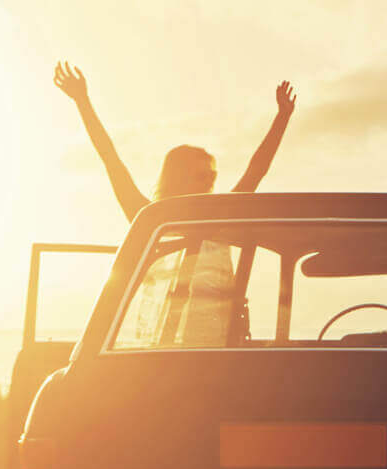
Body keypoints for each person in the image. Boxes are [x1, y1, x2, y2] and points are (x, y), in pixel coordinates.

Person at [53, 62, 295, 346]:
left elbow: (256, 170)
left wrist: (283, 118)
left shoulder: (222, 218)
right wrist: (83, 101)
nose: (210, 181)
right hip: (161, 352)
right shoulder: (151, 218)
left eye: (213, 175)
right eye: (201, 175)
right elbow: (111, 159)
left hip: (216, 351)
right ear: (178, 177)